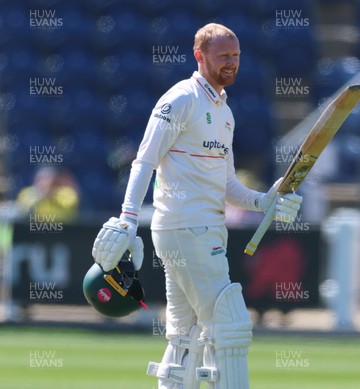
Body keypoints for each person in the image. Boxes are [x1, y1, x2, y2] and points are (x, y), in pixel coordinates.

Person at [91, 23, 302, 389]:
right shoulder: (182, 98)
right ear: (199, 56)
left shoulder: (224, 112)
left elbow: (228, 186)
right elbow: (144, 160)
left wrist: (263, 201)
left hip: (200, 230)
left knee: (184, 337)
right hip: (187, 229)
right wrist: (127, 218)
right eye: (223, 56)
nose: (231, 64)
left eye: (236, 56)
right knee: (229, 326)